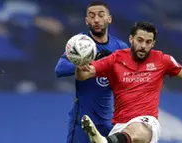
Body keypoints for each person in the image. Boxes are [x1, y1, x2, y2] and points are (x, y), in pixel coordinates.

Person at [75, 21, 182, 143]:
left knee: (139, 129)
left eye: (148, 42)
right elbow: (83, 75)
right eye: (140, 40)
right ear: (131, 39)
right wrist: (79, 63)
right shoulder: (115, 59)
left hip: (147, 121)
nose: (143, 46)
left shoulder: (162, 60)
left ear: (153, 43)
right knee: (127, 134)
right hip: (119, 127)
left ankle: (106, 142)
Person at [55, 1, 128, 143]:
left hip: (110, 121)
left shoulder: (120, 47)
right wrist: (82, 64)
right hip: (82, 120)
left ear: (109, 19)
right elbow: (60, 69)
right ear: (86, 20)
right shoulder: (79, 43)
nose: (96, 20)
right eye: (92, 16)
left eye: (101, 15)